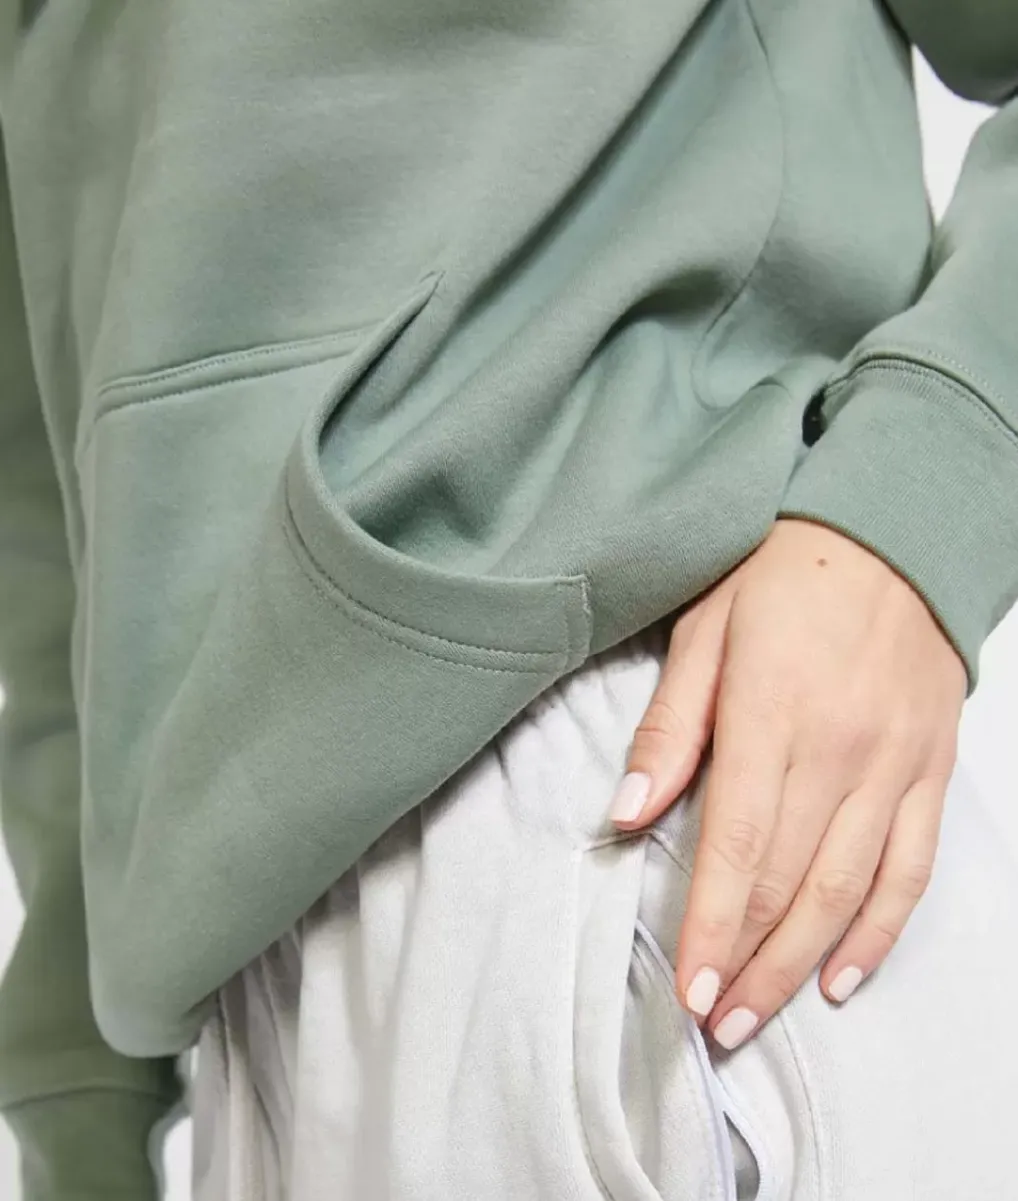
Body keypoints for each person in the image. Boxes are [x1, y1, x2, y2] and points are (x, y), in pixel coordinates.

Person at [1, 0, 1017, 1197]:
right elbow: (61, 490)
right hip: (243, 992)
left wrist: (920, 491)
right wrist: (80, 1101)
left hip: (665, 792)